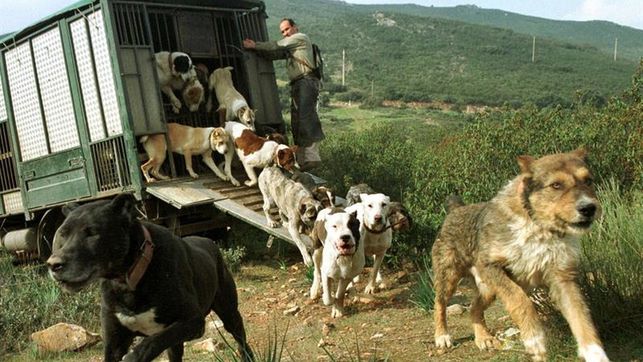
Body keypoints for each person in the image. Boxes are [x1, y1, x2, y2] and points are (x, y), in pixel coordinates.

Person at [243, 18, 324, 171]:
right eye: (283, 31)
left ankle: (313, 157)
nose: (285, 33)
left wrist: (254, 45)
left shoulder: (300, 38)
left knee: (307, 117)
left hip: (306, 81)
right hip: (299, 84)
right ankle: (302, 159)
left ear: (295, 27)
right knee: (297, 122)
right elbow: (274, 53)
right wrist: (256, 51)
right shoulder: (292, 48)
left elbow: (276, 45)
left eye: (287, 29)